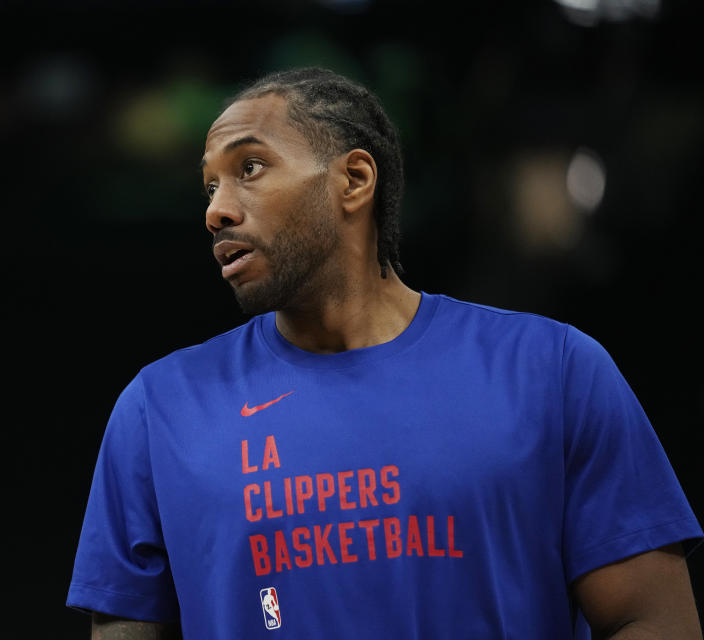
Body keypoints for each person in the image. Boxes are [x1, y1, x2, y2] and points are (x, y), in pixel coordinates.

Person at [66, 67, 703, 639]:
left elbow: (651, 619)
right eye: (208, 188)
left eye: (249, 168)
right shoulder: (158, 408)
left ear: (354, 179)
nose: (216, 211)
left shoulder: (552, 369)